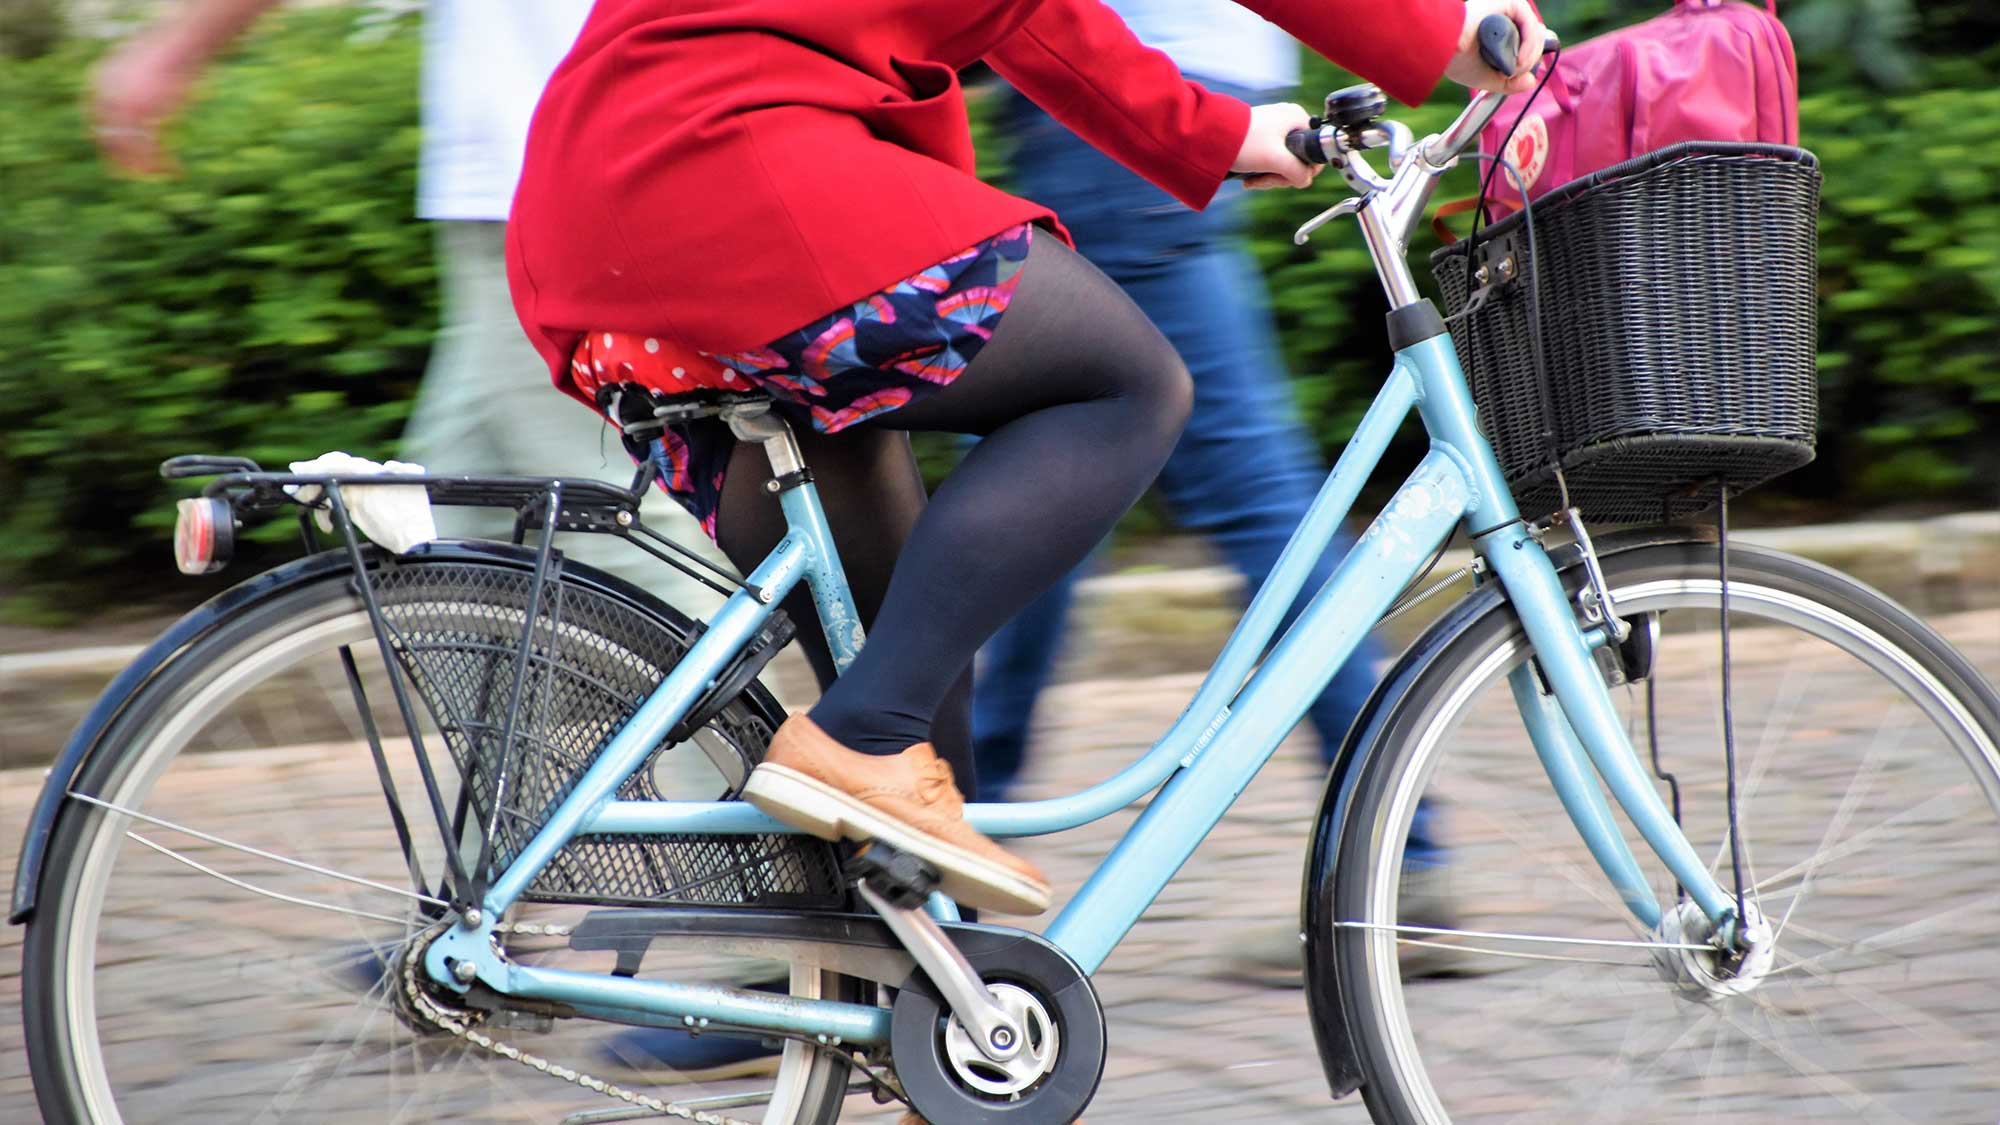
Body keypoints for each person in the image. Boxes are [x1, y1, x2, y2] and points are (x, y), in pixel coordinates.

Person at [505, 0, 1547, 928]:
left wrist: (1217, 131)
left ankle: (893, 1008)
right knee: (1125, 389)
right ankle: (861, 741)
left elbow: (1028, 16)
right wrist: (1439, 27)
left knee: (908, 656)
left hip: (618, 206)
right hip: (722, 170)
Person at [970, 0, 1449, 983]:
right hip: (1166, 108)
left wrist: (1446, 28)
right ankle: (952, 825)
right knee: (1063, 493)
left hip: (1117, 112)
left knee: (1096, 492)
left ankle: (944, 835)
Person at [91, 0, 730, 608]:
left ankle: (728, 716)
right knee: (452, 530)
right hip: (522, 190)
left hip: (559, 185)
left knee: (611, 526)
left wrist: (171, 52)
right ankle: (598, 718)